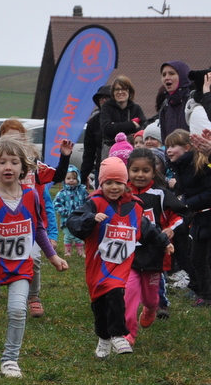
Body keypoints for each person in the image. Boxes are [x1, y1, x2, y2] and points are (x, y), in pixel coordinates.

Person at [0, 138, 69, 378]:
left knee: (18, 311)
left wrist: (53, 257)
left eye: (14, 162)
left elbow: (37, 227)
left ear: (24, 168)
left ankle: (10, 360)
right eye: (2, 162)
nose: (8, 167)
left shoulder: (31, 195)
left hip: (20, 267)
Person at [67, 157, 171, 358]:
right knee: (99, 305)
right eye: (108, 182)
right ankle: (104, 338)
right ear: (101, 183)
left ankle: (118, 334)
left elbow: (147, 228)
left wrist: (164, 242)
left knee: (115, 294)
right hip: (98, 265)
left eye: (119, 182)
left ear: (125, 183)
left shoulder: (135, 206)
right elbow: (74, 222)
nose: (114, 187)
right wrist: (91, 218)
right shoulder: (94, 203)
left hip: (121, 265)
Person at [125, 148, 187, 343]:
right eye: (135, 170)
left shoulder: (161, 194)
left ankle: (151, 309)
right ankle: (128, 334)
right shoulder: (122, 193)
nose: (140, 175)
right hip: (128, 253)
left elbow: (181, 214)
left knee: (151, 299)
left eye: (145, 170)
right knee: (129, 293)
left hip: (154, 254)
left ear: (153, 172)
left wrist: (170, 229)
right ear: (128, 171)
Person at [166, 129, 211, 305]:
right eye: (167, 147)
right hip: (198, 217)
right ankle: (201, 291)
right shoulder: (181, 166)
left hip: (206, 216)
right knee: (195, 257)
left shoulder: (200, 165)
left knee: (202, 259)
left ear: (186, 147)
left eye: (173, 146)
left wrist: (187, 204)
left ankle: (206, 295)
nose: (169, 150)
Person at [100, 76, 146, 158]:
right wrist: (132, 124)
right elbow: (107, 129)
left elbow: (144, 128)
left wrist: (115, 126)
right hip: (110, 150)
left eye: (124, 89)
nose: (120, 92)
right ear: (113, 93)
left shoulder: (136, 108)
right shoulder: (106, 107)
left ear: (129, 91)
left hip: (132, 149)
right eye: (117, 89)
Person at [80, 85, 113, 187]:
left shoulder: (124, 117)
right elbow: (89, 152)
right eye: (101, 98)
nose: (104, 100)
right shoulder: (93, 122)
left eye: (107, 97)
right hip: (102, 167)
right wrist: (82, 177)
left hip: (124, 167)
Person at [53, 165, 89, 256]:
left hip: (79, 219)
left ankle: (80, 252)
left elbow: (88, 202)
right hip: (66, 220)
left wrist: (84, 212)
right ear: (64, 180)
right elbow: (57, 204)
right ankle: (67, 252)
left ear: (78, 179)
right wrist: (64, 212)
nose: (71, 180)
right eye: (68, 178)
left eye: (74, 178)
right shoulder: (62, 193)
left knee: (78, 236)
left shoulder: (82, 192)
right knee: (68, 236)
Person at [158, 61, 192, 144]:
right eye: (164, 75)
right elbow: (164, 137)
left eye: (171, 74)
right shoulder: (165, 105)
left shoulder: (193, 101)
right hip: (172, 151)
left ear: (183, 76)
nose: (166, 78)